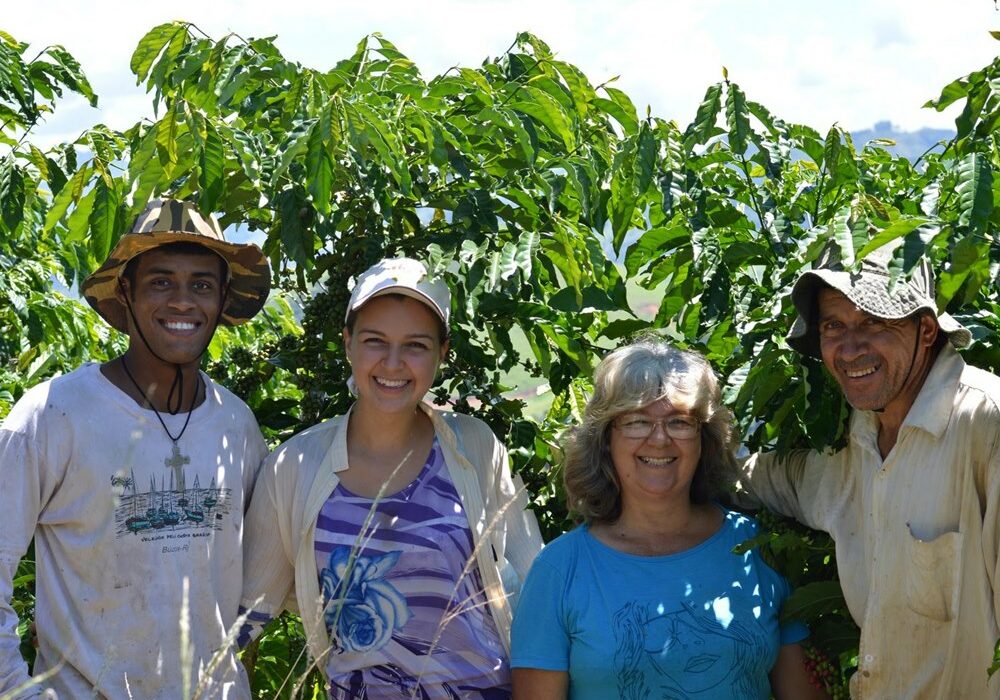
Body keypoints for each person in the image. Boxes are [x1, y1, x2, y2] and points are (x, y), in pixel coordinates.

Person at [0, 198, 271, 699]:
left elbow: (262, 566)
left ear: (222, 298)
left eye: (202, 285)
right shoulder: (52, 415)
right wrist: (18, 690)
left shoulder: (235, 425)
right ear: (126, 292)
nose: (183, 302)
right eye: (161, 282)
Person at [239, 257, 544, 698]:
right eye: (375, 341)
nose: (393, 362)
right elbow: (247, 612)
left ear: (442, 352)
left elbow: (540, 583)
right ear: (348, 344)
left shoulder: (475, 446)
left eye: (415, 345)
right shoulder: (294, 466)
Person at [743, 243, 1000, 698]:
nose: (850, 348)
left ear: (925, 330)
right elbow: (789, 480)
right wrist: (688, 466)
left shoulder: (985, 424)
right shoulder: (864, 437)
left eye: (874, 322)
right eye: (833, 326)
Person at [510, 338, 826, 700]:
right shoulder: (560, 570)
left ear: (704, 439)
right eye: (636, 421)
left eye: (679, 422)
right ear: (606, 440)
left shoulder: (755, 547)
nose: (659, 439)